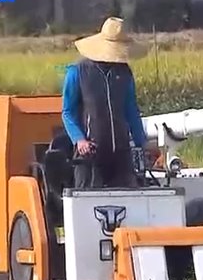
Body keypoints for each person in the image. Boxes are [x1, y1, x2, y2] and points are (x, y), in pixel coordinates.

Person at [61, 16, 158, 189]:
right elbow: (68, 112)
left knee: (129, 198)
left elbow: (131, 111)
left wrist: (142, 143)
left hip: (121, 152)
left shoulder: (124, 74)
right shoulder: (77, 72)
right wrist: (79, 140)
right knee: (87, 203)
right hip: (90, 153)